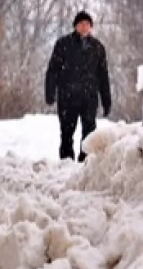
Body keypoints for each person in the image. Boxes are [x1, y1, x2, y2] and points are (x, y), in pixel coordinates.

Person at [44, 10, 112, 162]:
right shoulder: (63, 44)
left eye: (88, 24)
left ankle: (85, 162)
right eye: (81, 24)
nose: (85, 27)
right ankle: (66, 163)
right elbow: (53, 69)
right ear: (75, 26)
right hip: (67, 97)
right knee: (67, 132)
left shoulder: (97, 48)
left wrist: (106, 100)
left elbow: (103, 76)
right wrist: (50, 92)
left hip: (89, 98)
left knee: (89, 133)